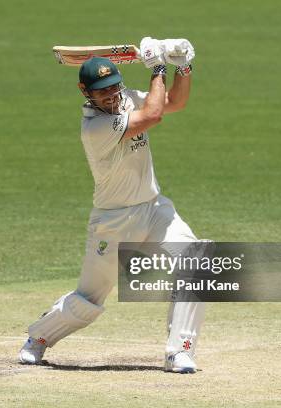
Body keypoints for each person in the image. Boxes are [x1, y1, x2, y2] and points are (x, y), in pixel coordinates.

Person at [19, 37, 206, 373]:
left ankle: (179, 351)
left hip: (154, 208)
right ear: (85, 91)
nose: (110, 95)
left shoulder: (125, 100)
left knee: (195, 262)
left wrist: (183, 66)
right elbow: (152, 116)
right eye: (101, 91)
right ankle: (39, 337)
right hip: (113, 220)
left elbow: (174, 103)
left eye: (113, 87)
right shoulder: (95, 127)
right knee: (90, 301)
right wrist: (157, 66)